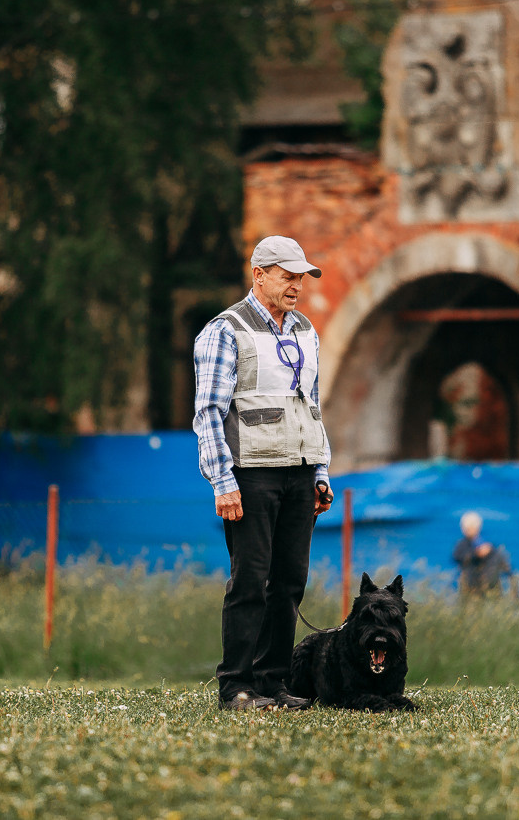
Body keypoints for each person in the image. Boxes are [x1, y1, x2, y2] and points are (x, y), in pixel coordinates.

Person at [193, 235, 333, 711]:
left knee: (290, 581)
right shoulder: (224, 330)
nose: (297, 286)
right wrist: (222, 481)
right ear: (260, 275)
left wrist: (320, 469)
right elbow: (208, 412)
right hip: (249, 473)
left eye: (301, 277)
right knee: (250, 581)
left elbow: (310, 406)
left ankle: (274, 683)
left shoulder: (306, 331)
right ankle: (236, 686)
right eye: (287, 276)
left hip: (298, 472)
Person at [452, 511, 512, 597]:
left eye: (473, 526)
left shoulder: (487, 545)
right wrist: (476, 554)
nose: (471, 529)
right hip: (470, 587)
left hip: (488, 587)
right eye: (468, 527)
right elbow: (457, 557)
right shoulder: (462, 544)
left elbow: (501, 562)